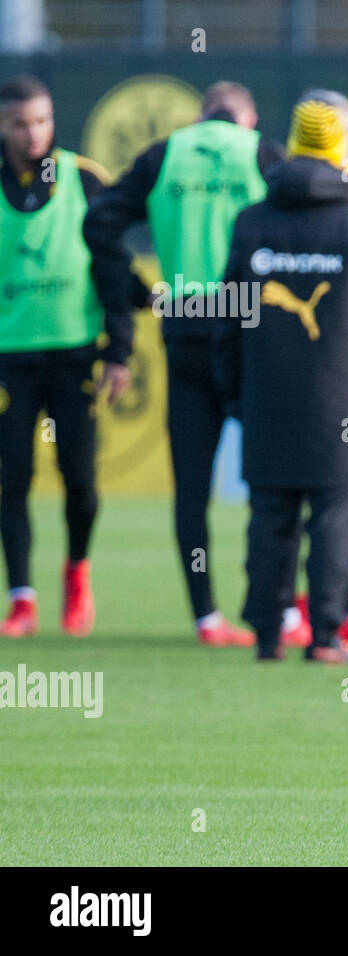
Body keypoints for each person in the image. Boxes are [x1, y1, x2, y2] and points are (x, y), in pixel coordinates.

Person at [84, 80, 283, 648]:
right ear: (247, 120)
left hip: (188, 332)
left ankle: (206, 618)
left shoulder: (164, 154)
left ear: (202, 117)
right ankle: (275, 610)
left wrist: (138, 291)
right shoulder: (262, 153)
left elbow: (97, 224)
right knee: (274, 480)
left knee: (191, 487)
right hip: (253, 337)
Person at [216, 93, 348, 663]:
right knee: (333, 519)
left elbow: (229, 317)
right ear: (340, 144)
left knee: (270, 514)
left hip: (267, 394)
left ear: (293, 141)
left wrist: (234, 392)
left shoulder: (252, 222)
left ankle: (268, 635)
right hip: (343, 399)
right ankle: (325, 636)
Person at [0, 75, 136, 638]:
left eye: (42, 120)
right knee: (12, 479)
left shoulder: (84, 179)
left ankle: (76, 573)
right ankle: (23, 599)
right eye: (20, 123)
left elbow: (114, 269)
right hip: (8, 362)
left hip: (76, 357)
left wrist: (120, 349)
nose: (34, 134)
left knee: (79, 478)